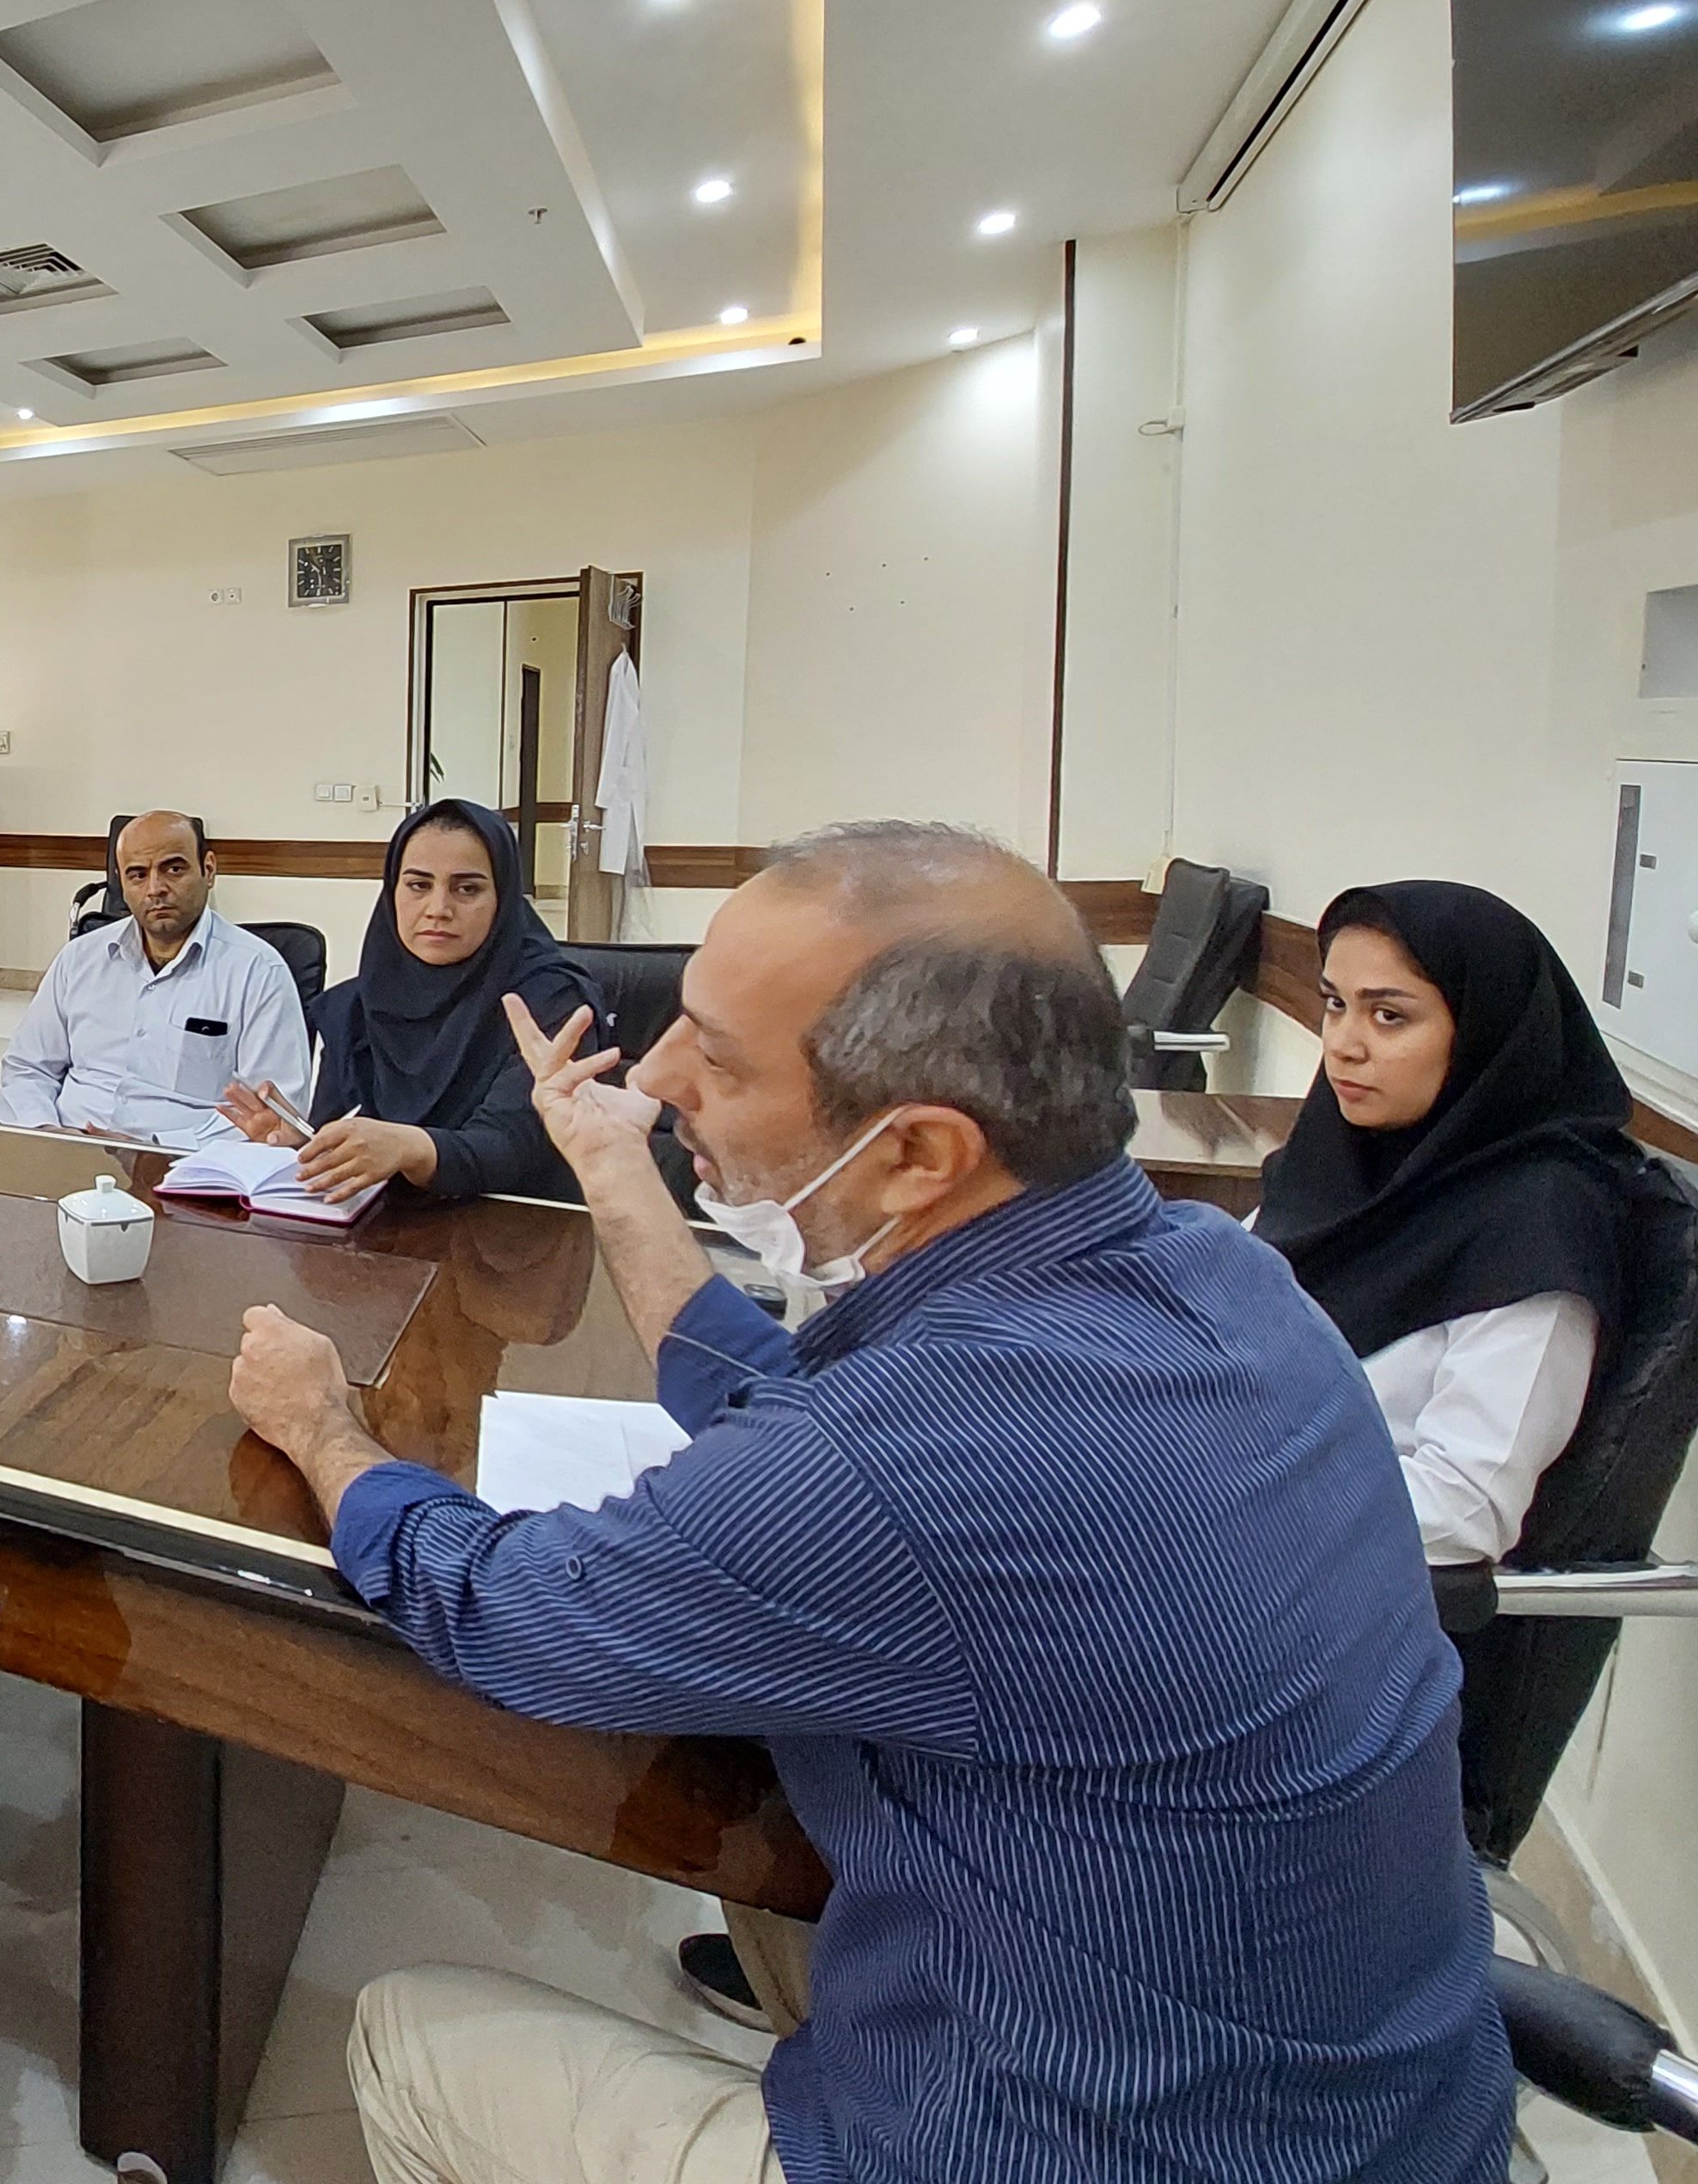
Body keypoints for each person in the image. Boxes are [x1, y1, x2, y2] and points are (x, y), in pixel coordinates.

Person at [228, 822, 1506, 2184]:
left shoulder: (895, 1468)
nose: (655, 1077)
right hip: (1377, 2110)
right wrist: (608, 1162)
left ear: (916, 1155)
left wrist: (325, 1429)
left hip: (1083, 2147)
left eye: (718, 1059)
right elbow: (781, 1399)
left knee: (409, 2032)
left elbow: (500, 1607)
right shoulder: (1221, 1276)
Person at [1256, 881, 1645, 1572]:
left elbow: (1463, 1506)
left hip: (1322, 1590)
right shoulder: (1338, 1163)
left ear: (1479, 1031)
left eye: (1389, 1016)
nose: (1343, 1045)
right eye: (1336, 1004)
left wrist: (1224, 1504)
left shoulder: (1536, 1225)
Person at [217, 799, 604, 1203]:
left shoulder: (553, 998)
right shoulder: (356, 1004)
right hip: (380, 1225)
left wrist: (411, 1148)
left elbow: (516, 1146)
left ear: (503, 897)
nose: (438, 910)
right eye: (419, 885)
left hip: (514, 1226)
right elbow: (349, 1133)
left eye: (467, 889)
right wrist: (307, 1144)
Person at [0, 811, 311, 1147]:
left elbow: (274, 1116)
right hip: (69, 1148)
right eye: (138, 875)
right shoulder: (80, 958)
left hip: (189, 1162)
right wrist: (46, 1131)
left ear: (208, 870)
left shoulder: (258, 971)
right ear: (122, 883)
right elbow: (27, 1069)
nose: (155, 889)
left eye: (173, 869)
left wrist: (156, 1149)